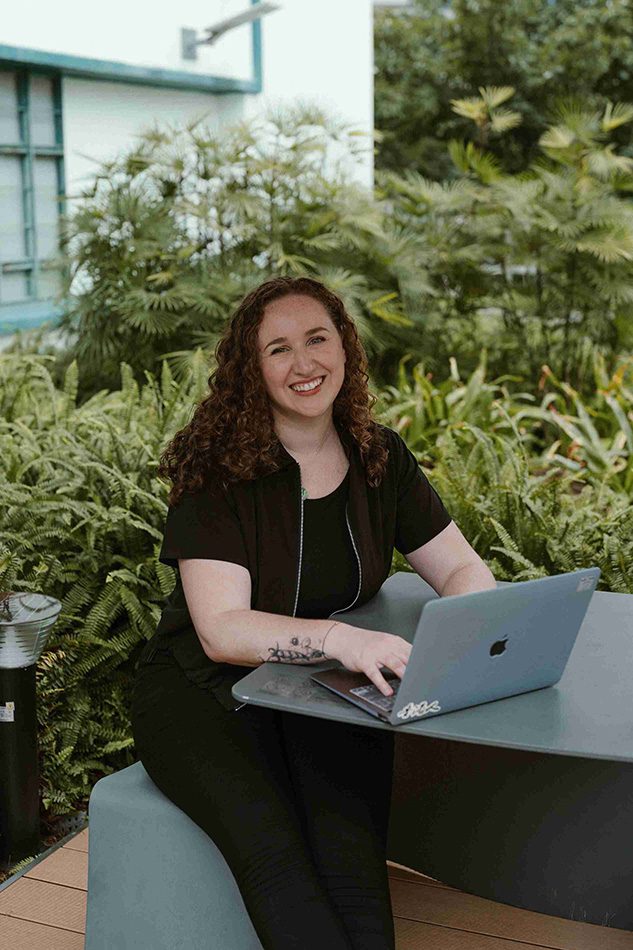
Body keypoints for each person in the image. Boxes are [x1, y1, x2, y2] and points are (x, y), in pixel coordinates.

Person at [131, 275, 496, 950]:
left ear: (345, 347)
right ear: (250, 368)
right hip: (202, 698)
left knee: (352, 861)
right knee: (277, 861)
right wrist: (340, 638)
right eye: (278, 348)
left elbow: (460, 567)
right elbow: (220, 630)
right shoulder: (217, 471)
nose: (303, 364)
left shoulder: (377, 455)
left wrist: (477, 633)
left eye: (317, 339)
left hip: (326, 693)